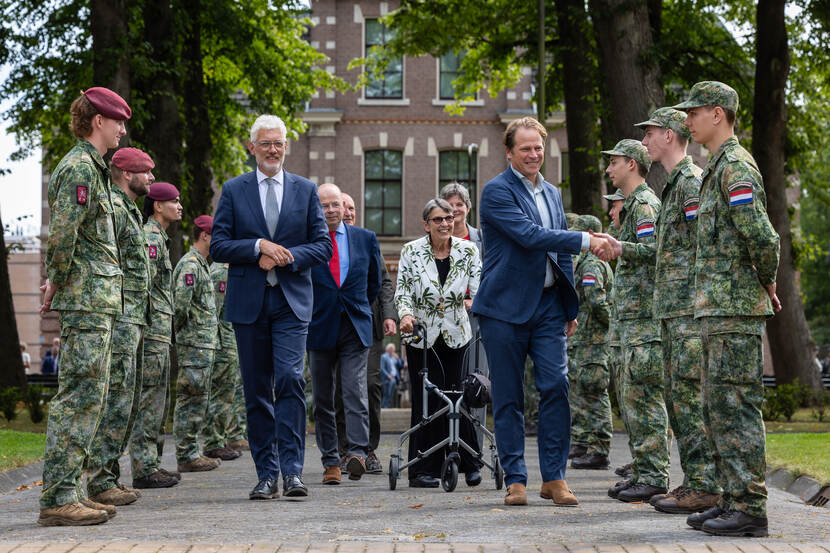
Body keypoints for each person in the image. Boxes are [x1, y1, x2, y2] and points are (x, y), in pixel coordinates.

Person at [471, 116, 610, 507]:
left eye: (538, 148)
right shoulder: (495, 192)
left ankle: (555, 477)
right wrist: (587, 238)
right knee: (510, 396)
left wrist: (569, 305)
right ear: (509, 152)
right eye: (525, 148)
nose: (534, 155)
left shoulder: (551, 193)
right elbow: (531, 237)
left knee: (555, 387)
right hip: (504, 310)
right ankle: (516, 479)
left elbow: (559, 252)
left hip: (549, 307)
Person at [597, 107, 721, 514]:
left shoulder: (684, 184)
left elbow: (698, 245)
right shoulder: (672, 186)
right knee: (670, 400)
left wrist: (621, 248)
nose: (646, 142)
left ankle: (696, 483)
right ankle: (684, 481)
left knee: (678, 401)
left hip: (676, 314)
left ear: (668, 136)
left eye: (649, 134)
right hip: (666, 316)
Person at [675, 81, 781, 537]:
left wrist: (768, 280)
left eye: (694, 112)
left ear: (717, 114)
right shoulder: (716, 167)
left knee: (736, 405)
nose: (687, 120)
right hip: (718, 308)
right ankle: (732, 499)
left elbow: (761, 235)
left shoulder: (735, 166)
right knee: (717, 405)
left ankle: (751, 507)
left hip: (735, 306)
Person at [210, 114, 331, 500]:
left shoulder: (305, 190)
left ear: (285, 146)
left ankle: (293, 472)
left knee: (291, 380)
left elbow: (323, 246)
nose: (273, 150)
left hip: (291, 303)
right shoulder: (233, 190)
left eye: (278, 143)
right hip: (249, 304)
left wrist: (284, 256)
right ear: (252, 148)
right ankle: (266, 474)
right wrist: (257, 247)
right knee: (257, 390)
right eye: (265, 143)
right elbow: (218, 246)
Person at [37, 87, 131, 526]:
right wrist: (55, 282)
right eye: (117, 122)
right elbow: (63, 235)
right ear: (98, 121)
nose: (122, 129)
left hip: (99, 300)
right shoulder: (79, 168)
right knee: (78, 396)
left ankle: (72, 488)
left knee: (91, 396)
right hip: (87, 299)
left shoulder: (93, 169)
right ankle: (57, 496)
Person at [598, 139, 670, 504]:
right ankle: (643, 470)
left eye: (613, 163)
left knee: (644, 398)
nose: (608, 170)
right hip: (631, 321)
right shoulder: (633, 207)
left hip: (644, 321)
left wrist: (619, 247)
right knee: (632, 399)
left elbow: (656, 251)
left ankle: (654, 474)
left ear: (631, 164)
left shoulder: (644, 205)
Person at [395, 198, 484, 489]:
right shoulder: (412, 251)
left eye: (449, 217)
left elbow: (480, 285)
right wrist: (406, 315)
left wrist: (476, 302)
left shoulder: (468, 250)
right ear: (426, 224)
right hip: (422, 335)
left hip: (457, 333)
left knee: (460, 395)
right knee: (427, 399)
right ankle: (422, 468)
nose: (445, 223)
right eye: (438, 219)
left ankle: (468, 461)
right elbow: (403, 291)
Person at [85, 147, 154, 508]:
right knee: (115, 399)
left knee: (126, 401)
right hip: (121, 315)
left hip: (134, 316)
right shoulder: (113, 207)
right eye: (146, 172)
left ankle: (108, 475)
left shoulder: (129, 209)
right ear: (127, 174)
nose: (152, 178)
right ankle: (99, 478)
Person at [308, 183, 381, 485]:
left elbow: (374, 283)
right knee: (323, 398)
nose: (330, 210)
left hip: (354, 325)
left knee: (354, 390)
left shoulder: (365, 239)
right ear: (316, 208)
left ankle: (357, 453)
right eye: (324, 205)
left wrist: (356, 306)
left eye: (335, 204)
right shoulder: (307, 239)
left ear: (344, 205)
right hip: (319, 326)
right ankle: (330, 461)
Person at [335, 190, 397, 476]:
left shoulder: (366, 240)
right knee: (338, 388)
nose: (348, 212)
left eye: (352, 208)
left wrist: (388, 316)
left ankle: (368, 449)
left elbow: (383, 283)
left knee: (369, 385)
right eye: (342, 207)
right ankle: (343, 449)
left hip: (366, 326)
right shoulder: (327, 241)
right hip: (333, 326)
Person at [129, 181, 183, 489]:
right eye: (172, 201)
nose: (179, 206)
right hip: (152, 332)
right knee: (149, 400)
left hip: (160, 332)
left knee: (158, 400)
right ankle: (144, 467)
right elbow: (144, 287)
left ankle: (152, 463)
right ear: (157, 206)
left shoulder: (159, 238)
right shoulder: (150, 237)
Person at [172, 215, 221, 473]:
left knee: (199, 398)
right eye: (217, 236)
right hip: (194, 344)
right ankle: (186, 453)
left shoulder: (201, 265)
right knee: (190, 398)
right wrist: (187, 336)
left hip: (202, 345)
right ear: (205, 235)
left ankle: (192, 452)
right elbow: (179, 307)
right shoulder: (190, 265)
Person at [567, 215, 614, 471]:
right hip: (583, 342)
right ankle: (584, 442)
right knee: (581, 392)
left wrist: (610, 328)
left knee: (595, 393)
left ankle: (600, 449)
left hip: (593, 341)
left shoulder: (592, 265)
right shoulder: (583, 263)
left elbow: (597, 302)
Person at [203, 260, 245, 460]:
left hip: (230, 341)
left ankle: (224, 437)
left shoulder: (229, 270)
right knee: (221, 396)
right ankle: (214, 441)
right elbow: (216, 314)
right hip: (223, 343)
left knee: (229, 395)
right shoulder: (220, 272)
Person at [381, 343, 401, 408]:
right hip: (387, 378)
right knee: (386, 393)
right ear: (388, 349)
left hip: (394, 378)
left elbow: (400, 366)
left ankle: (387, 406)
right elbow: (382, 368)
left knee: (391, 394)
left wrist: (398, 359)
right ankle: (384, 406)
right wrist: (388, 375)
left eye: (394, 349)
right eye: (392, 349)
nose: (393, 350)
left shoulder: (394, 357)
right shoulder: (384, 357)